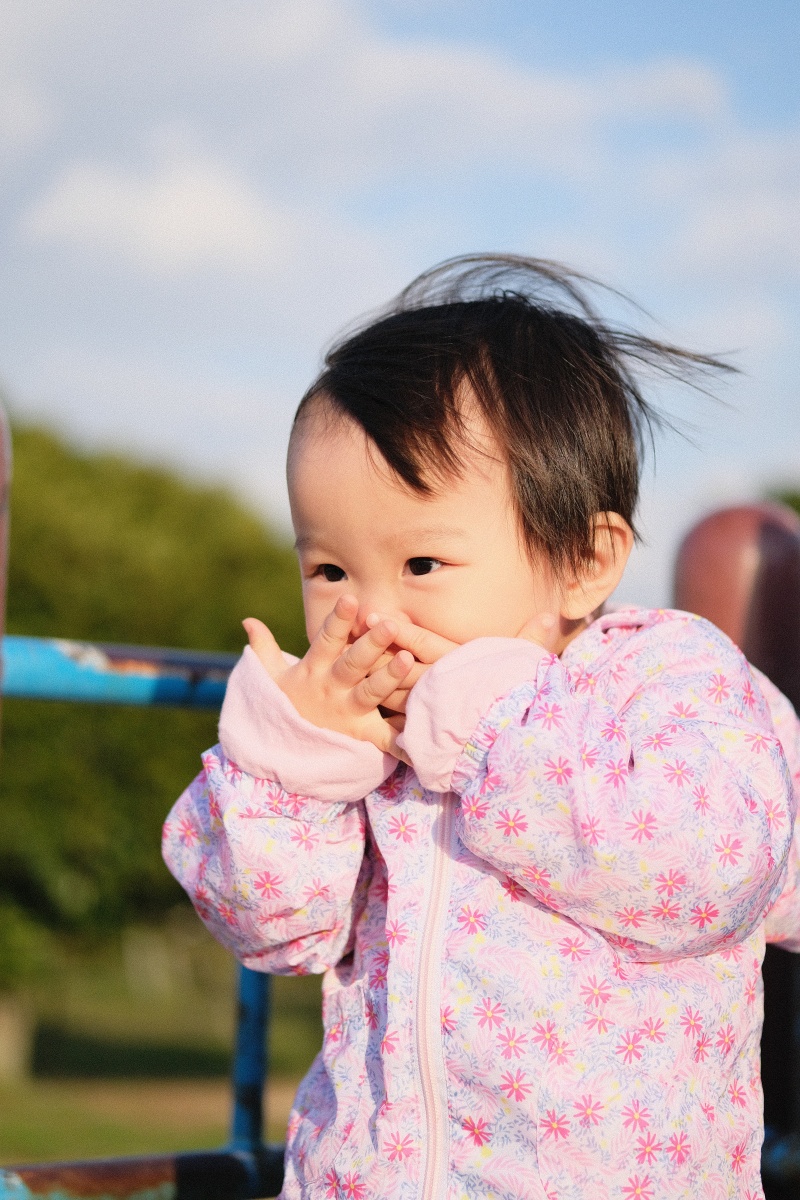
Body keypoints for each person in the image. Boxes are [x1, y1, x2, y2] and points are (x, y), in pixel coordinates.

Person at [163, 256, 798, 1200]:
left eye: (421, 561)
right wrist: (293, 766)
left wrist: (491, 719)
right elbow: (273, 931)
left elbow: (711, 871)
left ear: (584, 560)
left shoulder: (662, 680)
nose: (367, 615)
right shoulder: (370, 736)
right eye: (330, 571)